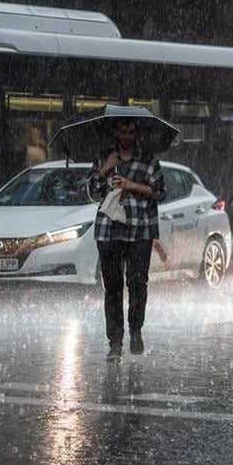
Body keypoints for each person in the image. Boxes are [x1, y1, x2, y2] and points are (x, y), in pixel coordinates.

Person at [89, 118, 166, 360]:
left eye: (131, 131)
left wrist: (131, 185)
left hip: (139, 231)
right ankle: (115, 342)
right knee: (112, 288)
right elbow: (91, 192)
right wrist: (104, 170)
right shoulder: (104, 158)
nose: (127, 136)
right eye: (123, 131)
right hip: (108, 231)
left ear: (136, 134)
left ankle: (135, 330)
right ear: (115, 132)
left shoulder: (148, 161)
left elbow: (161, 192)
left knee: (137, 283)